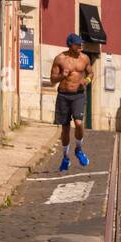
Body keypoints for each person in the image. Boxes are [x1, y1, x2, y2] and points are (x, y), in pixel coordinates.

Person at [51, 34, 92, 171]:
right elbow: (52, 79)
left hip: (78, 95)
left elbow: (91, 73)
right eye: (77, 44)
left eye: (81, 44)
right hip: (63, 96)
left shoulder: (84, 58)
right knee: (65, 129)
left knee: (79, 123)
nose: (80, 47)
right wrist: (62, 75)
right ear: (70, 45)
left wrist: (86, 81)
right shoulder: (60, 59)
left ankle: (78, 149)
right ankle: (65, 157)